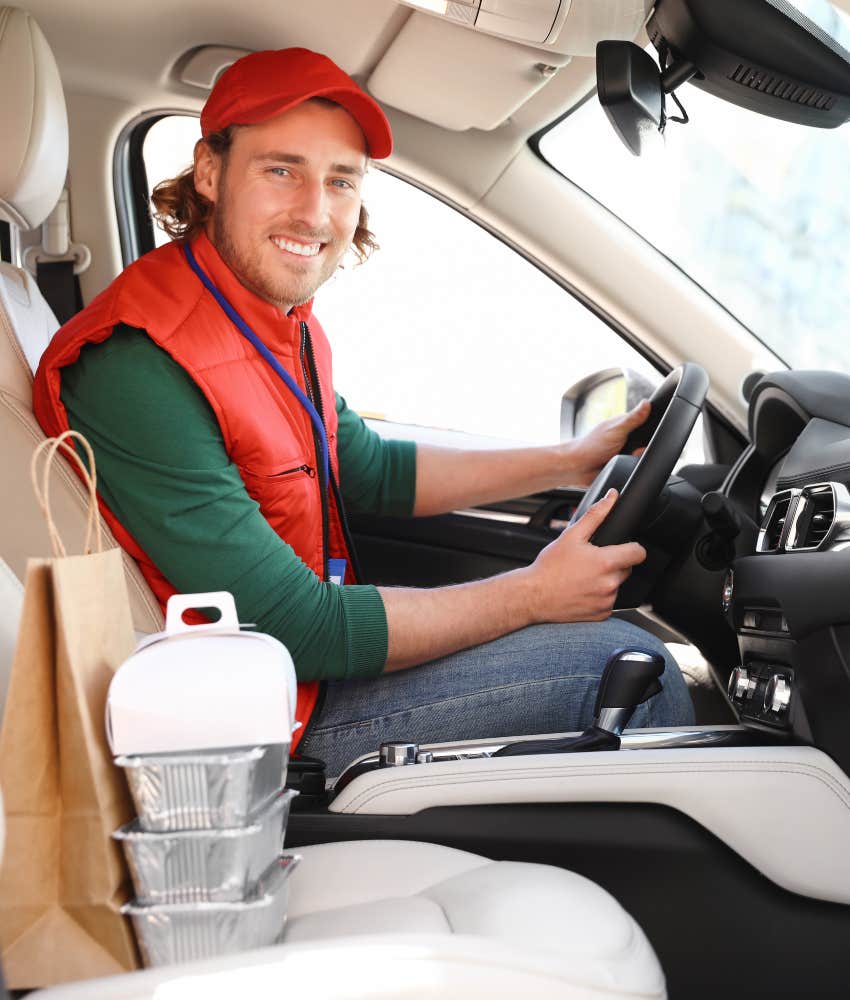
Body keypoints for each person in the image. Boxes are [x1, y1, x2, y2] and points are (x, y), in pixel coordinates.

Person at [34, 47, 694, 776]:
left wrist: (570, 460)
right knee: (634, 666)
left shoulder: (275, 320)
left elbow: (367, 469)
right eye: (280, 169)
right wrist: (534, 593)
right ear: (211, 173)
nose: (315, 212)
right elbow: (292, 626)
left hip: (294, 680)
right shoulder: (138, 363)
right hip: (261, 723)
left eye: (340, 181)